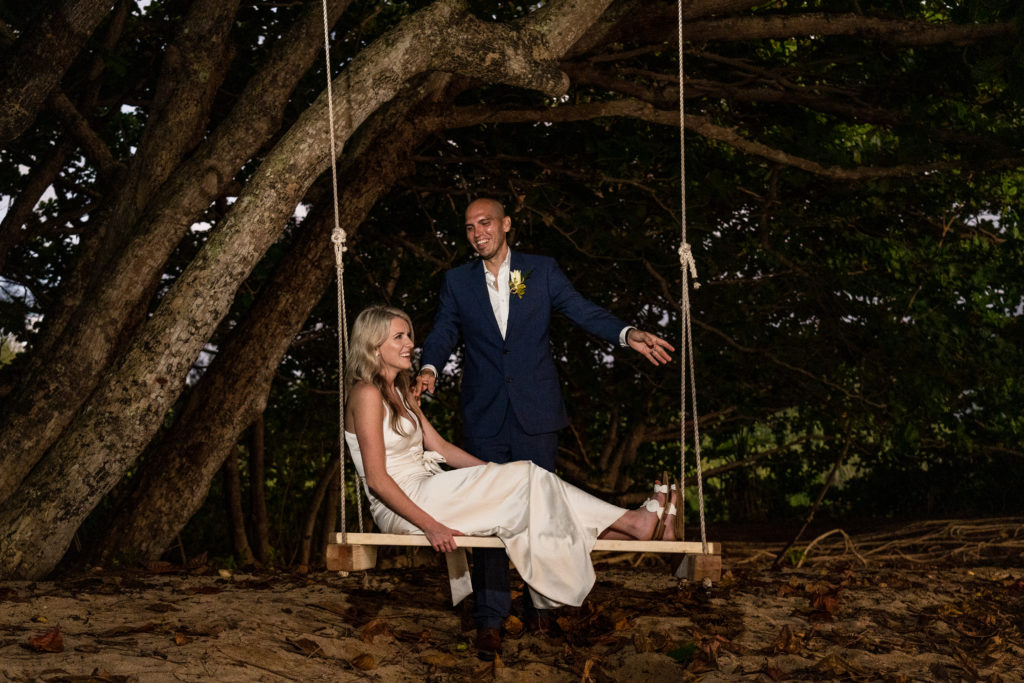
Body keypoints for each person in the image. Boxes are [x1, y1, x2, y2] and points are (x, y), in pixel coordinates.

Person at [415, 198, 675, 654]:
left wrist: (627, 333)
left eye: (486, 223)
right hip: (484, 417)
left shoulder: (536, 271)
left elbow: (581, 309)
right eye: (470, 226)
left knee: (546, 511)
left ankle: (543, 608)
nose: (478, 233)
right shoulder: (458, 282)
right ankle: (491, 616)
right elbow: (443, 331)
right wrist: (431, 368)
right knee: (490, 520)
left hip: (536, 413)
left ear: (506, 225)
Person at [346, 305, 678, 661]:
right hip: (405, 503)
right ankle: (631, 523)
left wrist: (497, 475)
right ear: (374, 345)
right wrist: (430, 526)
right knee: (525, 478)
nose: (411, 343)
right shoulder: (366, 394)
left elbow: (440, 448)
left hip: (429, 488)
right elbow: (379, 481)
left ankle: (628, 527)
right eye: (399, 336)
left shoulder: (400, 393)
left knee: (528, 479)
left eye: (409, 334)